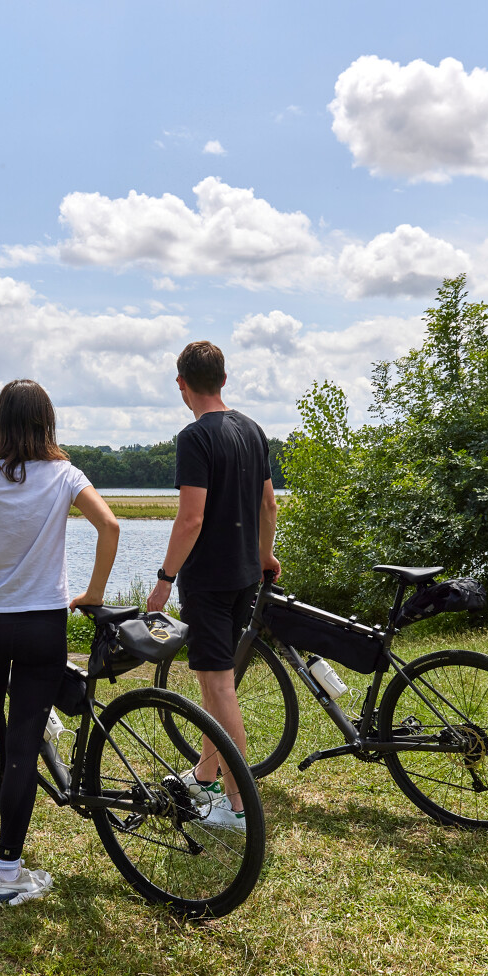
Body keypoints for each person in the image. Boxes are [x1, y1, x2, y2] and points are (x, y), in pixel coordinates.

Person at [0, 379, 120, 907]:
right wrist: (93, 592)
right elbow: (109, 527)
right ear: (47, 421)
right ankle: (8, 872)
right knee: (22, 746)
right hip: (42, 626)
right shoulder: (65, 475)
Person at [145, 340, 278, 831]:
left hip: (209, 581)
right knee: (212, 680)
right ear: (223, 379)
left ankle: (240, 807)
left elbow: (191, 519)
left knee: (219, 686)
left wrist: (163, 581)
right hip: (245, 575)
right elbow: (269, 505)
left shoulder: (194, 438)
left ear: (182, 385)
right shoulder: (253, 429)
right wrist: (264, 556)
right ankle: (205, 772)